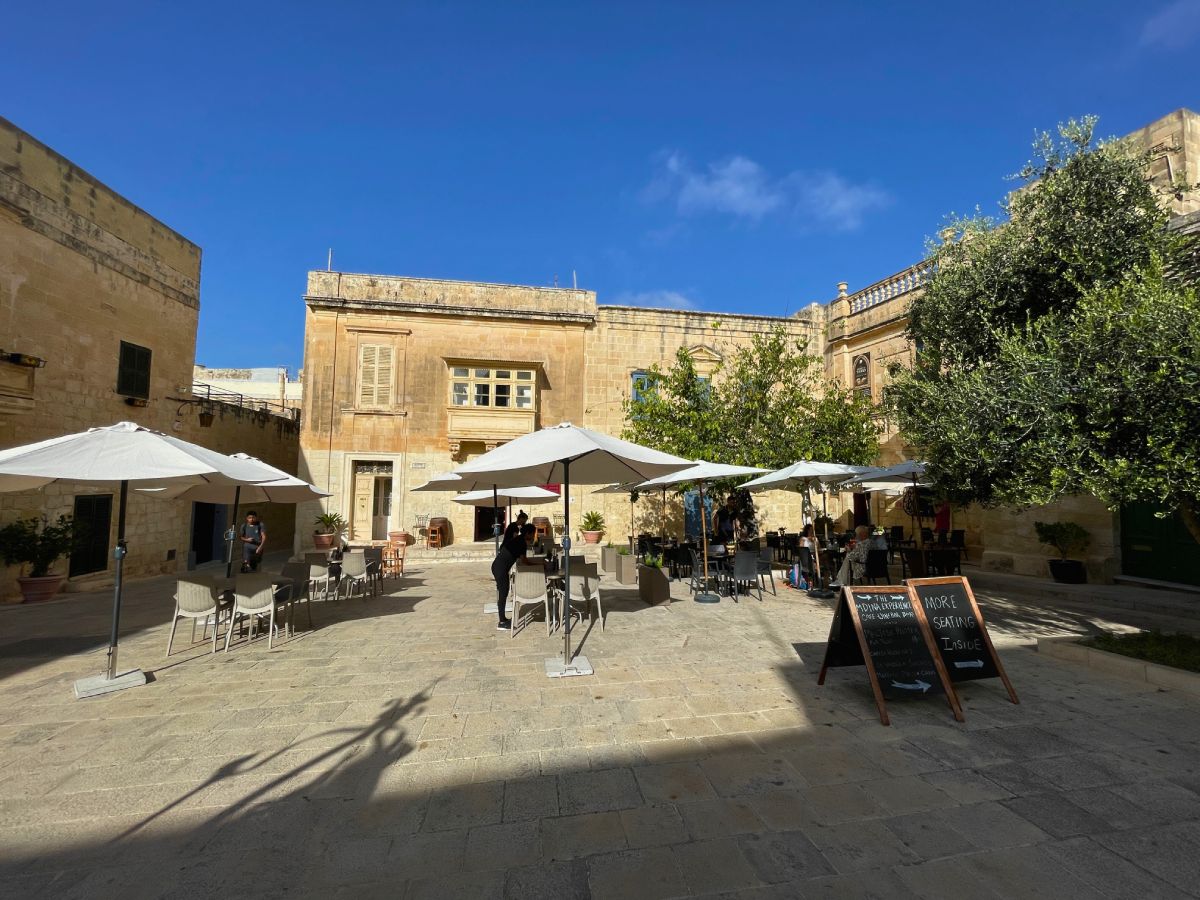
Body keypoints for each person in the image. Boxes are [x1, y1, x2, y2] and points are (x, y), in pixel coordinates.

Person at [491, 522, 535, 630]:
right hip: (500, 568)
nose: (533, 536)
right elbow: (524, 561)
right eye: (532, 534)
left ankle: (503, 619)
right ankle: (501, 622)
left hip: (498, 567)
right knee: (503, 593)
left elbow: (520, 558)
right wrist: (537, 564)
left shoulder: (519, 540)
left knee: (503, 593)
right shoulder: (521, 542)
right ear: (528, 533)